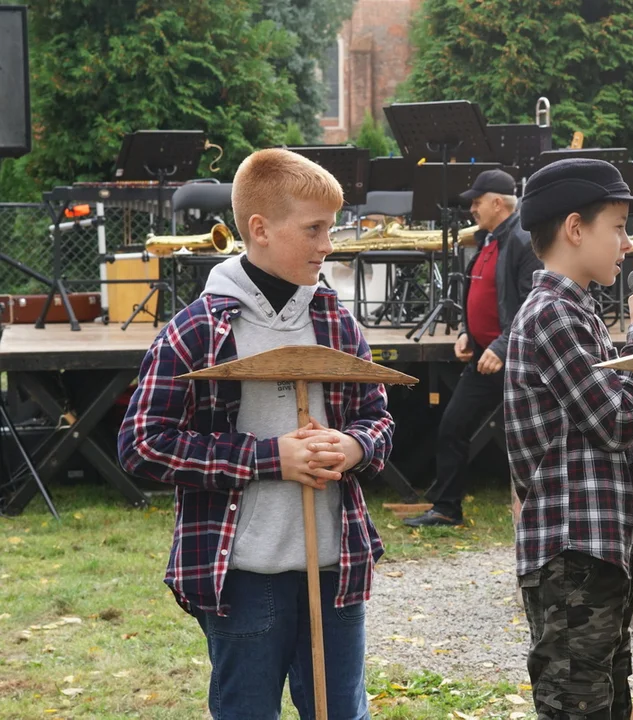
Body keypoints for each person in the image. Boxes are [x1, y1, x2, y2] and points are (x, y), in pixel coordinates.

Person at [118, 148, 393, 720]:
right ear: (260, 230)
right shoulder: (197, 330)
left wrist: (355, 446)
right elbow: (142, 443)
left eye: (331, 228)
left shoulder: (337, 323)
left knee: (340, 710)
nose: (328, 244)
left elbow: (379, 420)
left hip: (333, 568)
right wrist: (268, 458)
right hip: (244, 574)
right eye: (314, 229)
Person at [505, 158, 633, 719]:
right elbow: (614, 420)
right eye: (617, 226)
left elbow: (614, 427)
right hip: (571, 553)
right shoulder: (552, 315)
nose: (627, 244)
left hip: (599, 551)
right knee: (577, 705)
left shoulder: (582, 315)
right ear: (575, 228)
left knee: (608, 701)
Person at [404, 169, 542, 527]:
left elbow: (531, 305)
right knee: (452, 425)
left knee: (530, 435)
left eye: (477, 202)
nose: (472, 209)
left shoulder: (524, 241)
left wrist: (501, 345)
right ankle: (447, 508)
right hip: (484, 356)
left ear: (498, 203)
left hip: (513, 359)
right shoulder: (488, 238)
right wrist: (468, 331)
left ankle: (540, 510)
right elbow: (481, 291)